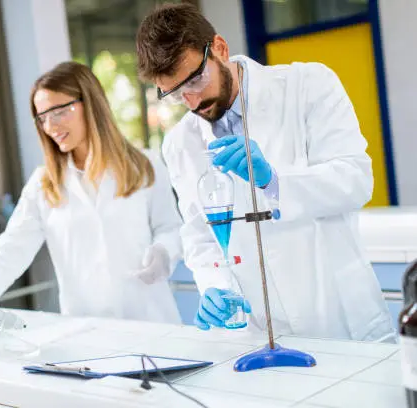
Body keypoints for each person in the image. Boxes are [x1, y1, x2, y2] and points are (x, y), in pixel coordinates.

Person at [135, 3, 395, 341]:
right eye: (175, 94)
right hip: (259, 333)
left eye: (196, 80)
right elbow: (200, 234)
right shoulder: (180, 143)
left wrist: (273, 181)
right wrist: (214, 285)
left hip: (341, 320)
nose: (193, 101)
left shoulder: (307, 85)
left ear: (220, 48)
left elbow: (356, 180)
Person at [0, 61, 183, 324]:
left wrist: (164, 251)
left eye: (59, 112)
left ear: (90, 104)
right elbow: (11, 250)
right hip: (88, 332)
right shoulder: (44, 183)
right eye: (42, 117)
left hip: (152, 323)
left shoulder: (145, 165)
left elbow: (171, 228)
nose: (50, 127)